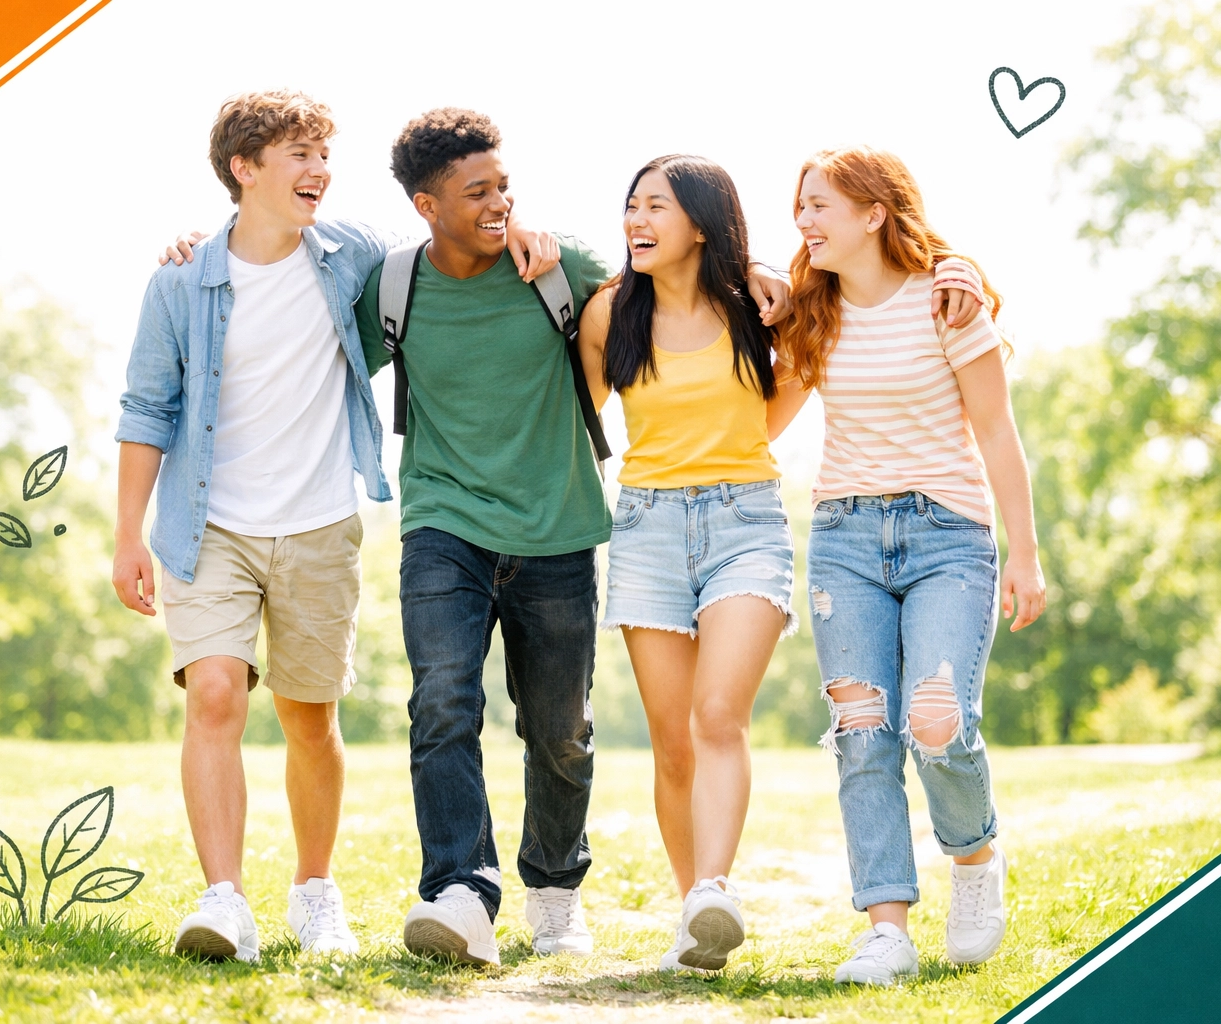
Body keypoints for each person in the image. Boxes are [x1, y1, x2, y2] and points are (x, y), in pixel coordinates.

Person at [114, 90, 557, 964]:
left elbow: (448, 246)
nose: (320, 171)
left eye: (323, 155)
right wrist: (129, 533)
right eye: (298, 156)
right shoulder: (181, 278)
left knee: (309, 717)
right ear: (244, 169)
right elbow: (145, 408)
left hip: (319, 522)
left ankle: (315, 893)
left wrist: (531, 233)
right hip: (210, 526)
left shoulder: (350, 255)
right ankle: (224, 899)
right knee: (213, 695)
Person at [349, 111, 795, 968]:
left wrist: (763, 267)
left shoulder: (566, 267)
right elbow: (320, 345)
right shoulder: (393, 287)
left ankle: (554, 890)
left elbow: (681, 282)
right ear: (425, 203)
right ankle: (460, 891)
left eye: (504, 187)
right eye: (477, 192)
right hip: (442, 518)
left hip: (558, 526)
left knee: (560, 729)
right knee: (443, 700)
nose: (500, 204)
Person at [576, 155, 982, 974]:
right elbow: (580, 416)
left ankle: (713, 888)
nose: (637, 222)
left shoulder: (763, 309)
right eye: (631, 208)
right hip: (648, 526)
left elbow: (773, 413)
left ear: (699, 221)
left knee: (718, 714)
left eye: (656, 206)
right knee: (672, 741)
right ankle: (697, 920)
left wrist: (957, 265)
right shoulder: (608, 313)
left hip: (745, 523)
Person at [771, 145, 1047, 986]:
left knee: (937, 720)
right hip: (845, 539)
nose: (805, 221)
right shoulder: (815, 316)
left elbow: (997, 431)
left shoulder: (949, 299)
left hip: (947, 537)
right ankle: (885, 927)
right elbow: (763, 422)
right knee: (862, 734)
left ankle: (973, 859)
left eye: (820, 205)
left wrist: (1025, 555)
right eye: (801, 207)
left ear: (873, 213)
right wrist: (760, 305)